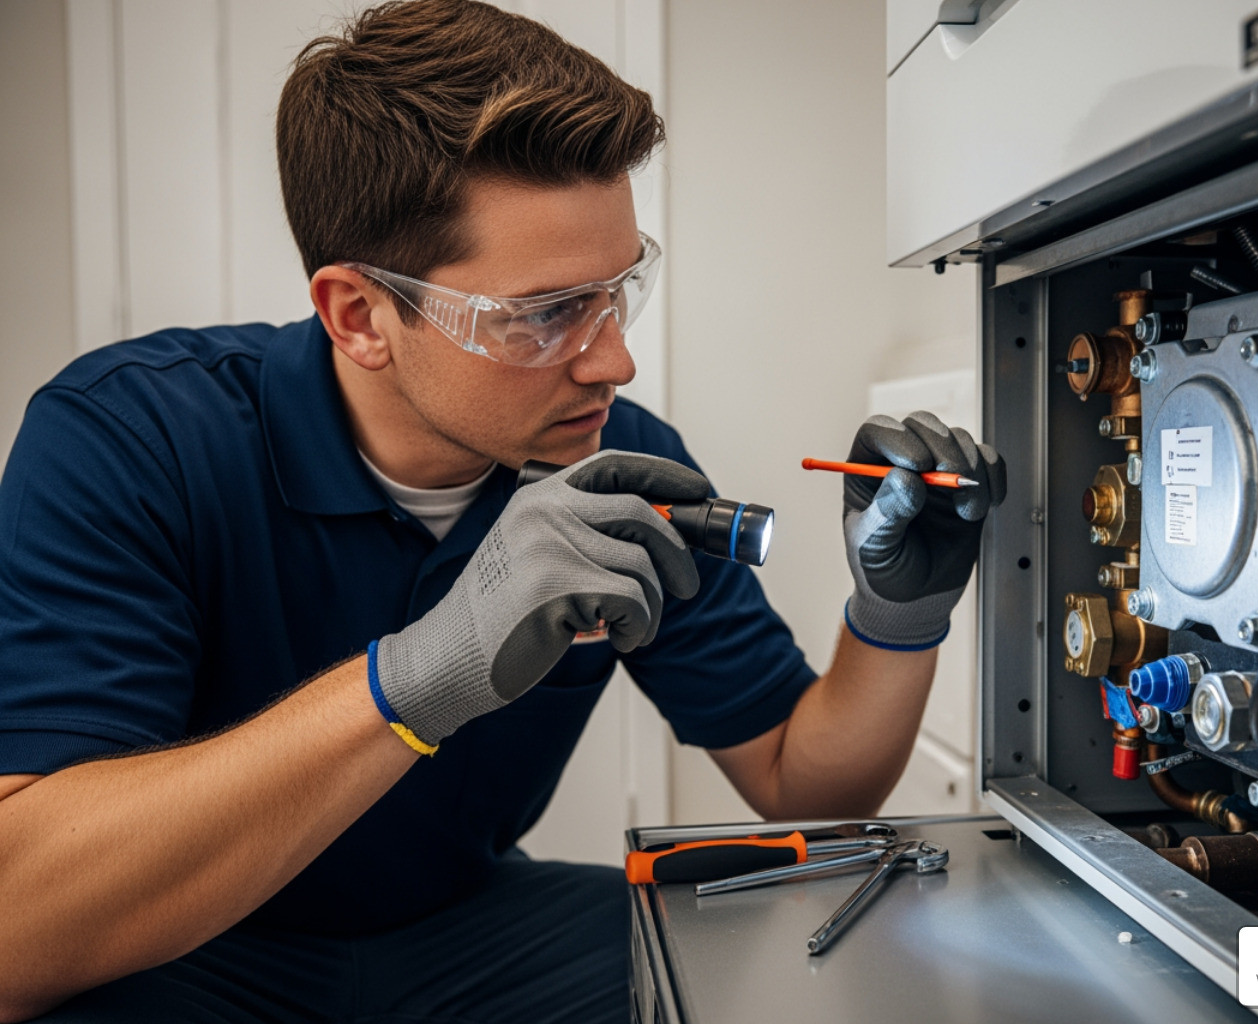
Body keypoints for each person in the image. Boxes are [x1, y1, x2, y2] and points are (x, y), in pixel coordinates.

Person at [0, 1, 1004, 1021]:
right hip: (189, 950)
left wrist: (898, 616)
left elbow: (803, 785)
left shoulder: (621, 468)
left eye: (619, 292)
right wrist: (423, 675)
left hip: (469, 936)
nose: (615, 359)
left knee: (753, 965)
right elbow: (17, 923)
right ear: (361, 316)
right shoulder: (132, 440)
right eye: (546, 314)